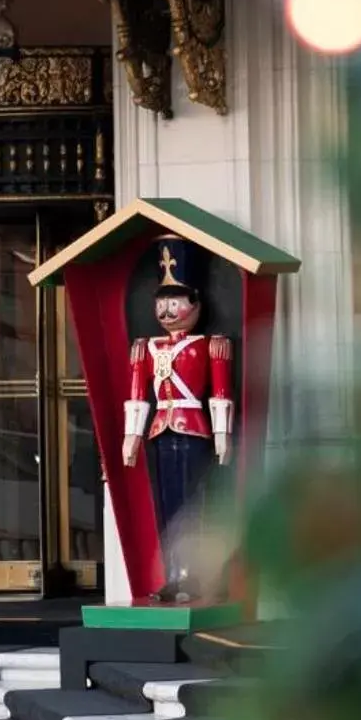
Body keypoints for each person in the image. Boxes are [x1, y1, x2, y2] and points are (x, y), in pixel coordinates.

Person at [121, 236, 232, 603]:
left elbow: (219, 392)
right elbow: (137, 395)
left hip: (194, 430)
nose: (168, 311)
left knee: (192, 505)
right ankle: (173, 574)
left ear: (195, 302)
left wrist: (222, 434)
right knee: (167, 506)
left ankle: (194, 577)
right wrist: (131, 436)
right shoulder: (146, 347)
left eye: (176, 301)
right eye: (162, 302)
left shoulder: (209, 345)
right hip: (160, 432)